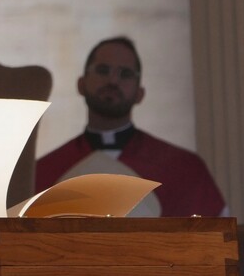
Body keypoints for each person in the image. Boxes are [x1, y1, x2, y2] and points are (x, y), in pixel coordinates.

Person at [35, 36, 227, 217]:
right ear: (81, 84)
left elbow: (213, 237)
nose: (112, 81)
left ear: (140, 94)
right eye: (103, 70)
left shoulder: (184, 169)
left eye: (125, 74)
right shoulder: (44, 171)